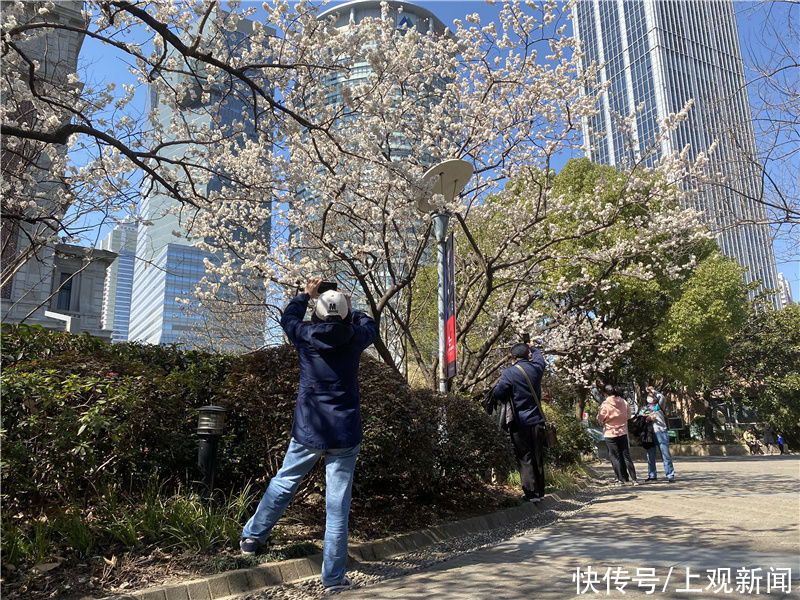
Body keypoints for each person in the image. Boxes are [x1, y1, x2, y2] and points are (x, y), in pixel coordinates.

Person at [240, 277, 379, 592]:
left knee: (284, 481)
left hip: (309, 428)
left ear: (315, 314)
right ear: (345, 315)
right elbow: (371, 324)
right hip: (345, 432)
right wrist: (348, 307)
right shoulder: (356, 337)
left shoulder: (304, 335)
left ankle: (252, 537)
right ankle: (332, 579)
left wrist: (306, 295)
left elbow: (288, 317)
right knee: (337, 504)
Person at [493, 342, 547, 502]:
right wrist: (533, 347)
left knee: (524, 456)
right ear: (528, 355)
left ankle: (531, 493)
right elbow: (540, 359)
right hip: (537, 419)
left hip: (519, 421)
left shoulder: (509, 373)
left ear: (513, 357)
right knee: (538, 455)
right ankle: (540, 492)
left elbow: (499, 392)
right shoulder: (537, 368)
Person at [597, 384, 639, 486]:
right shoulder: (624, 402)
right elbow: (629, 415)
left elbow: (600, 418)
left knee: (614, 457)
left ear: (606, 394)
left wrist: (603, 420)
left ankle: (620, 480)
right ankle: (634, 479)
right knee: (626, 456)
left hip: (610, 433)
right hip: (622, 432)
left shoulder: (605, 405)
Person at [639, 387, 675, 483]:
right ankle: (652, 475)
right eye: (649, 396)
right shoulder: (644, 409)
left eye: (652, 396)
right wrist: (648, 419)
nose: (650, 398)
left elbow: (662, 397)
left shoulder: (659, 405)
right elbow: (639, 419)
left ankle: (670, 474)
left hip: (661, 431)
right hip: (649, 433)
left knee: (665, 453)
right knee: (650, 455)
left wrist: (653, 391)